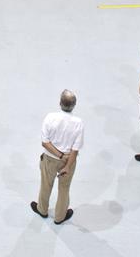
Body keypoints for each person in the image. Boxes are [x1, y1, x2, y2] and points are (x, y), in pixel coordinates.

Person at [32, 89, 83, 225]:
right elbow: (75, 149)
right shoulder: (78, 123)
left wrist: (58, 155)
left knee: (45, 185)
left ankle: (42, 210)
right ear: (74, 105)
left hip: (49, 159)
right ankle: (60, 217)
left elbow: (45, 142)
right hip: (68, 160)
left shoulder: (50, 117)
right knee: (64, 188)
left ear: (60, 103)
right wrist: (66, 165)